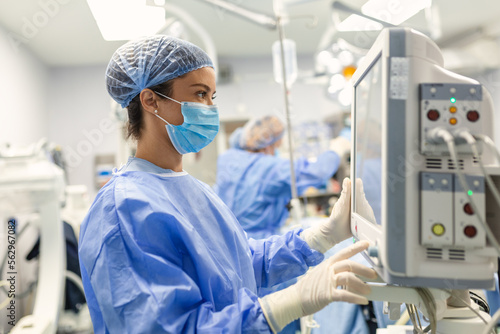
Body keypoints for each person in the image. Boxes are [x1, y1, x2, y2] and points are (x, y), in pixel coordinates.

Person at [78, 35, 377, 334]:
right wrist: (286, 304)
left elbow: (241, 262)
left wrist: (322, 236)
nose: (209, 108)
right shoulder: (124, 208)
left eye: (213, 97)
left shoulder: (192, 190)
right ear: (150, 100)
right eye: (199, 94)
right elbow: (165, 328)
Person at [214, 115, 351, 239]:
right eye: (276, 146)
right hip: (257, 242)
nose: (276, 151)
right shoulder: (270, 168)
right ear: (267, 145)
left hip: (228, 238)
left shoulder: (228, 158)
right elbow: (316, 173)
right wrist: (336, 151)